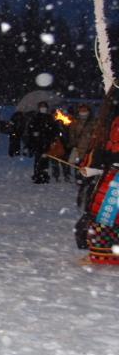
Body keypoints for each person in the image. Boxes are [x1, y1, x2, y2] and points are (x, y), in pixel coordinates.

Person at [73, 87, 119, 264]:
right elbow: (107, 150)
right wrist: (94, 168)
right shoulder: (111, 122)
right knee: (103, 215)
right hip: (112, 174)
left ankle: (107, 252)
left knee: (106, 214)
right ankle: (105, 252)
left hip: (114, 175)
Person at [69, 103, 98, 206]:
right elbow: (71, 135)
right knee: (79, 171)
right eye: (81, 110)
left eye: (85, 110)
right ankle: (81, 189)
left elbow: (97, 135)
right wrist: (73, 144)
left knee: (88, 171)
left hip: (90, 152)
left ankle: (87, 190)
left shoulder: (94, 122)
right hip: (79, 151)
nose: (83, 112)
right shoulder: (75, 122)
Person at [26, 102, 58, 184]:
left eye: (44, 107)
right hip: (37, 142)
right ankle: (37, 175)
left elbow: (54, 130)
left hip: (47, 142)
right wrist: (34, 135)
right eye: (41, 106)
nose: (43, 108)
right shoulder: (35, 117)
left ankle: (44, 175)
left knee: (45, 160)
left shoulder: (49, 117)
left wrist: (53, 139)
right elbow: (30, 129)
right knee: (38, 159)